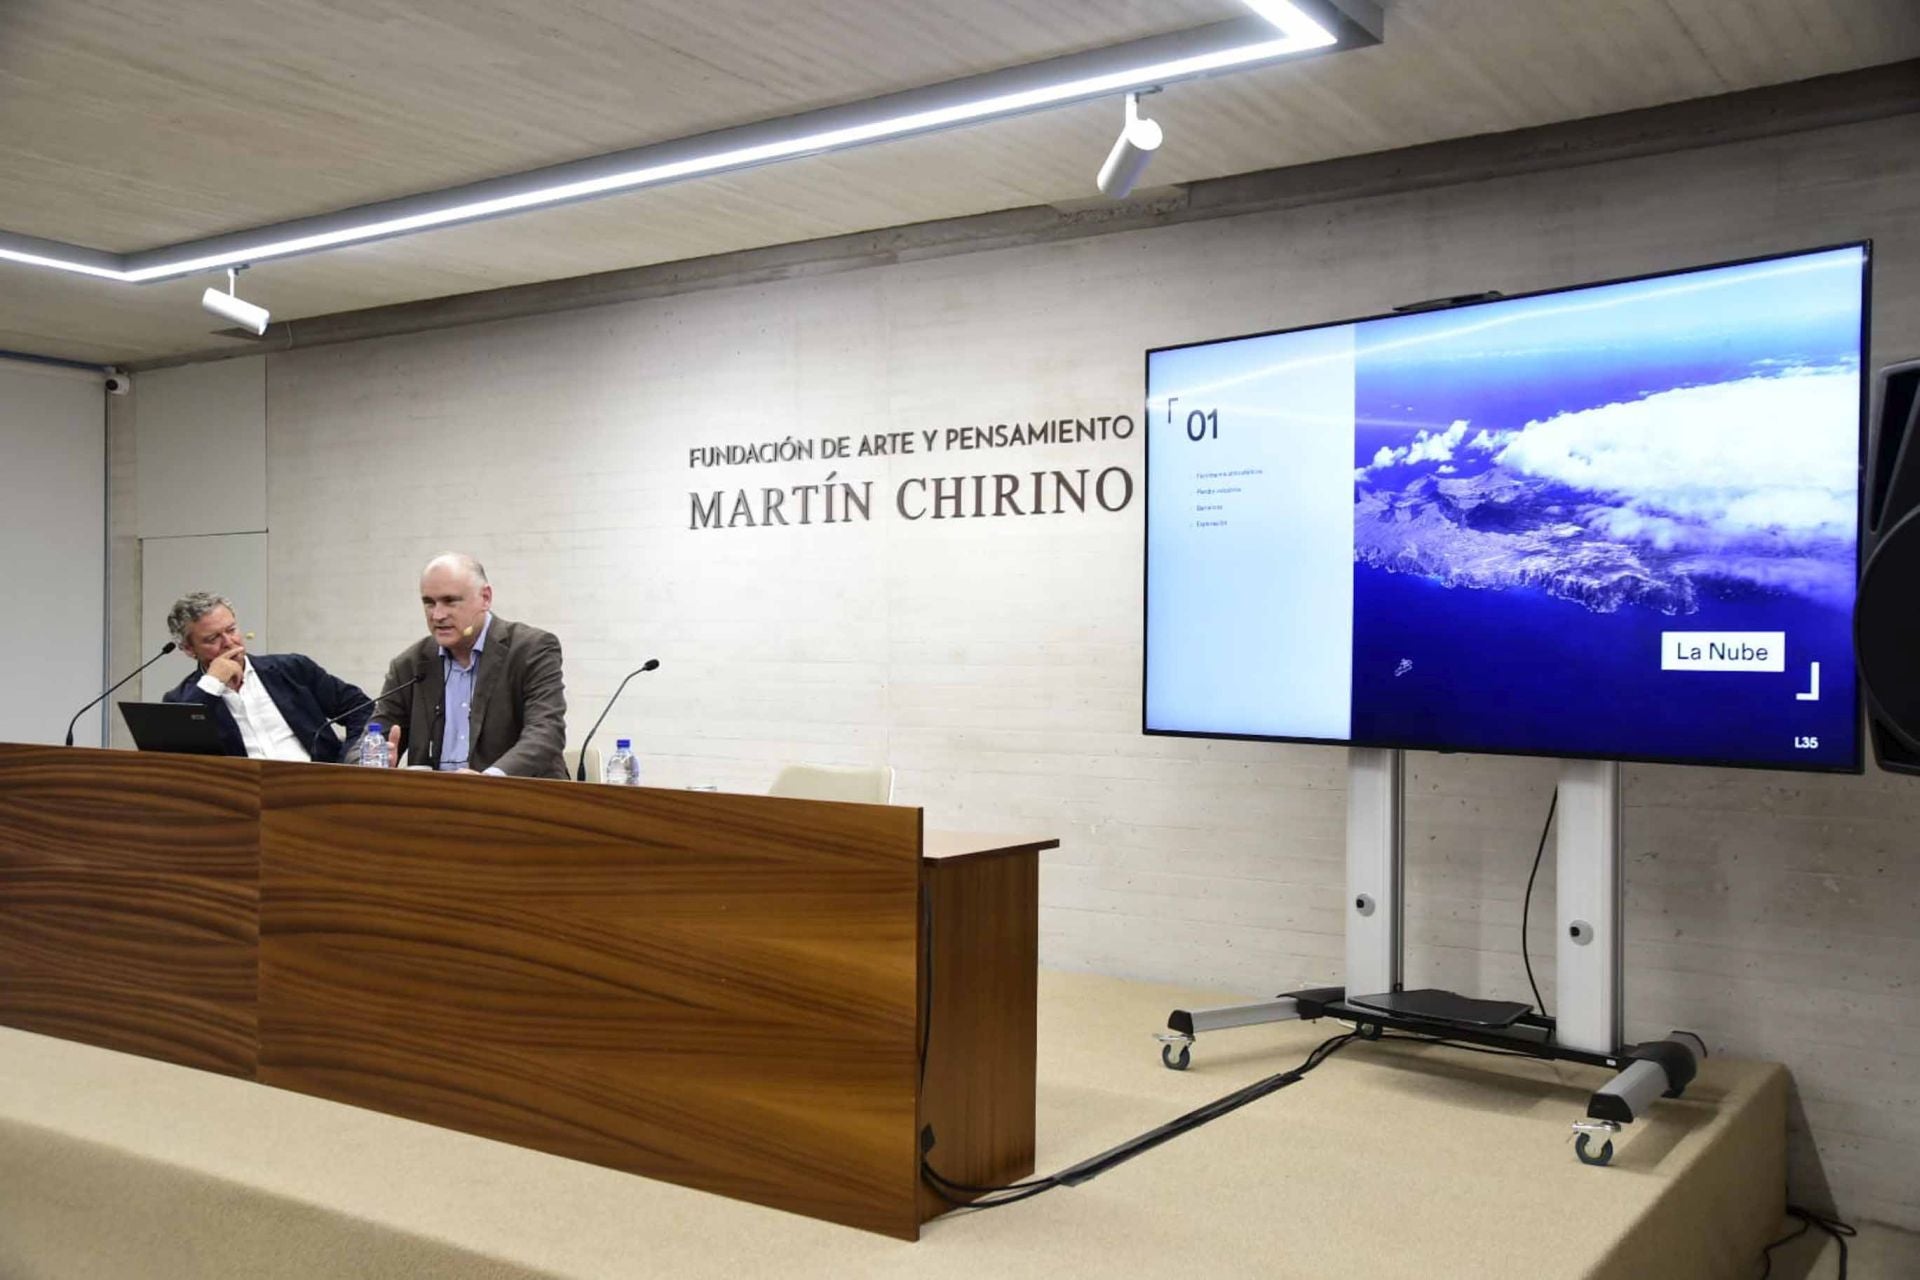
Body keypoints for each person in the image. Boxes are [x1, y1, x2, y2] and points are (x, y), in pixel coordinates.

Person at [375, 553, 568, 779]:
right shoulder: (410, 665)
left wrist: (489, 780)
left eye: (450, 601)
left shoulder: (531, 650)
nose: (437, 615)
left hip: (515, 798)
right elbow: (372, 735)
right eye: (429, 603)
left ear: (485, 597)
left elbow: (546, 733)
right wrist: (371, 758)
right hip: (434, 802)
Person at [160, 592, 375, 763]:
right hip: (246, 801)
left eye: (231, 629)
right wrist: (212, 684)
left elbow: (362, 708)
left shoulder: (291, 669)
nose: (229, 642)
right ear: (189, 649)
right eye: (212, 638)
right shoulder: (180, 700)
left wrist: (349, 758)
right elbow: (176, 754)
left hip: (317, 786)